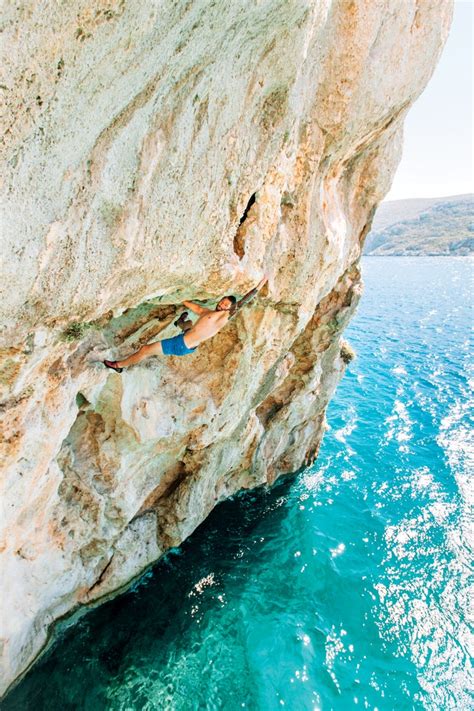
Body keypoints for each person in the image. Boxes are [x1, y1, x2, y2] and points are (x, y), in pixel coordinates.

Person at [103, 276, 268, 372]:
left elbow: (246, 299)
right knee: (188, 323)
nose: (222, 305)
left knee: (145, 350)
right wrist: (177, 296)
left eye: (226, 305)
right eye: (222, 302)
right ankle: (181, 322)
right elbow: (192, 305)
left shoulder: (223, 317)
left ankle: (118, 365)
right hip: (188, 340)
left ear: (230, 309)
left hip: (181, 344)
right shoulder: (207, 312)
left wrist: (261, 283)